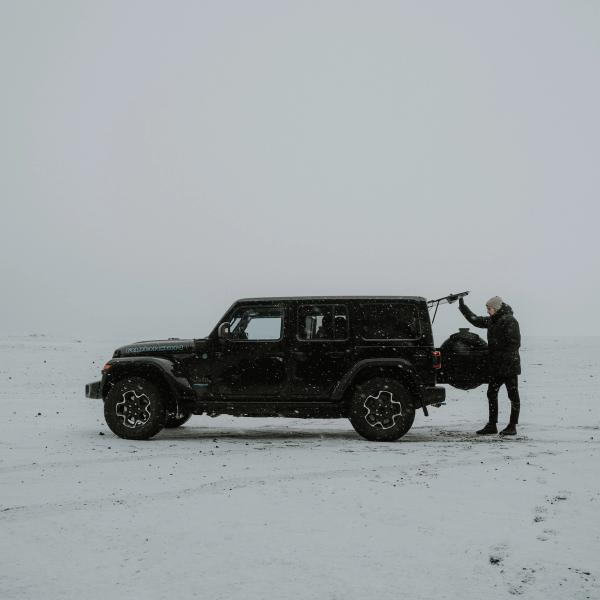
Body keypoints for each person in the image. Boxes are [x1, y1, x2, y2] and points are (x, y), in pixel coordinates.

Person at [458, 295, 521, 436]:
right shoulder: (493, 320)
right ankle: (492, 425)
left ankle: (512, 426)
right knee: (491, 394)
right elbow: (475, 320)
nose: (487, 311)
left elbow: (514, 344)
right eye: (487, 308)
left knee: (513, 396)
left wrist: (499, 356)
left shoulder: (510, 321)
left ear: (497, 308)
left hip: (509, 366)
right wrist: (462, 307)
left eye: (489, 308)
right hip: (496, 367)